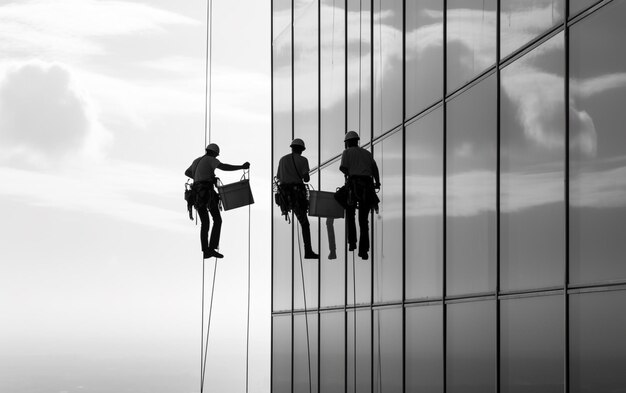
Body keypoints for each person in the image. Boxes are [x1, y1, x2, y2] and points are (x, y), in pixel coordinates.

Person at [185, 143, 250, 259]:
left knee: (205, 223)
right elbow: (224, 167)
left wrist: (200, 177)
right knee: (217, 220)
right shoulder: (211, 159)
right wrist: (241, 167)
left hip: (197, 195)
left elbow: (187, 172)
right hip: (206, 194)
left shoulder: (197, 160)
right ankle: (212, 247)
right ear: (214, 153)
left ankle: (206, 250)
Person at [276, 138, 319, 259]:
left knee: (303, 222)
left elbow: (279, 177)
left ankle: (308, 251)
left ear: (292, 147)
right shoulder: (303, 160)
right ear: (301, 149)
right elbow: (306, 179)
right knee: (305, 224)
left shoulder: (283, 159)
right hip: (296, 196)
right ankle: (308, 251)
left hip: (286, 196)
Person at [340, 131, 380, 260]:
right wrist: (377, 182)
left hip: (354, 186)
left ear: (347, 143)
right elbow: (375, 168)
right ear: (357, 141)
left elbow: (343, 168)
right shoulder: (367, 153)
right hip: (367, 188)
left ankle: (352, 242)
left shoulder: (347, 153)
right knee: (364, 221)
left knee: (350, 213)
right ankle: (364, 251)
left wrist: (350, 171)